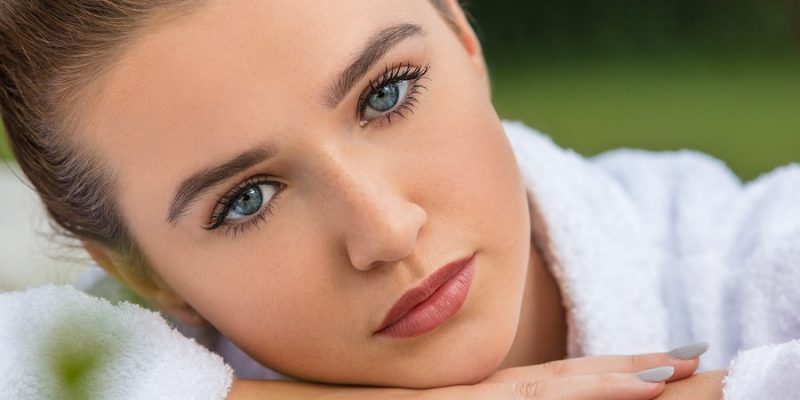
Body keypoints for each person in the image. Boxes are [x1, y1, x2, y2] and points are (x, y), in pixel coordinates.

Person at [0, 0, 797, 399]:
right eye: (247, 199)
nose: (383, 229)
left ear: (461, 35)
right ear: (144, 277)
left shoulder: (754, 260)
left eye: (386, 94)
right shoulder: (119, 365)